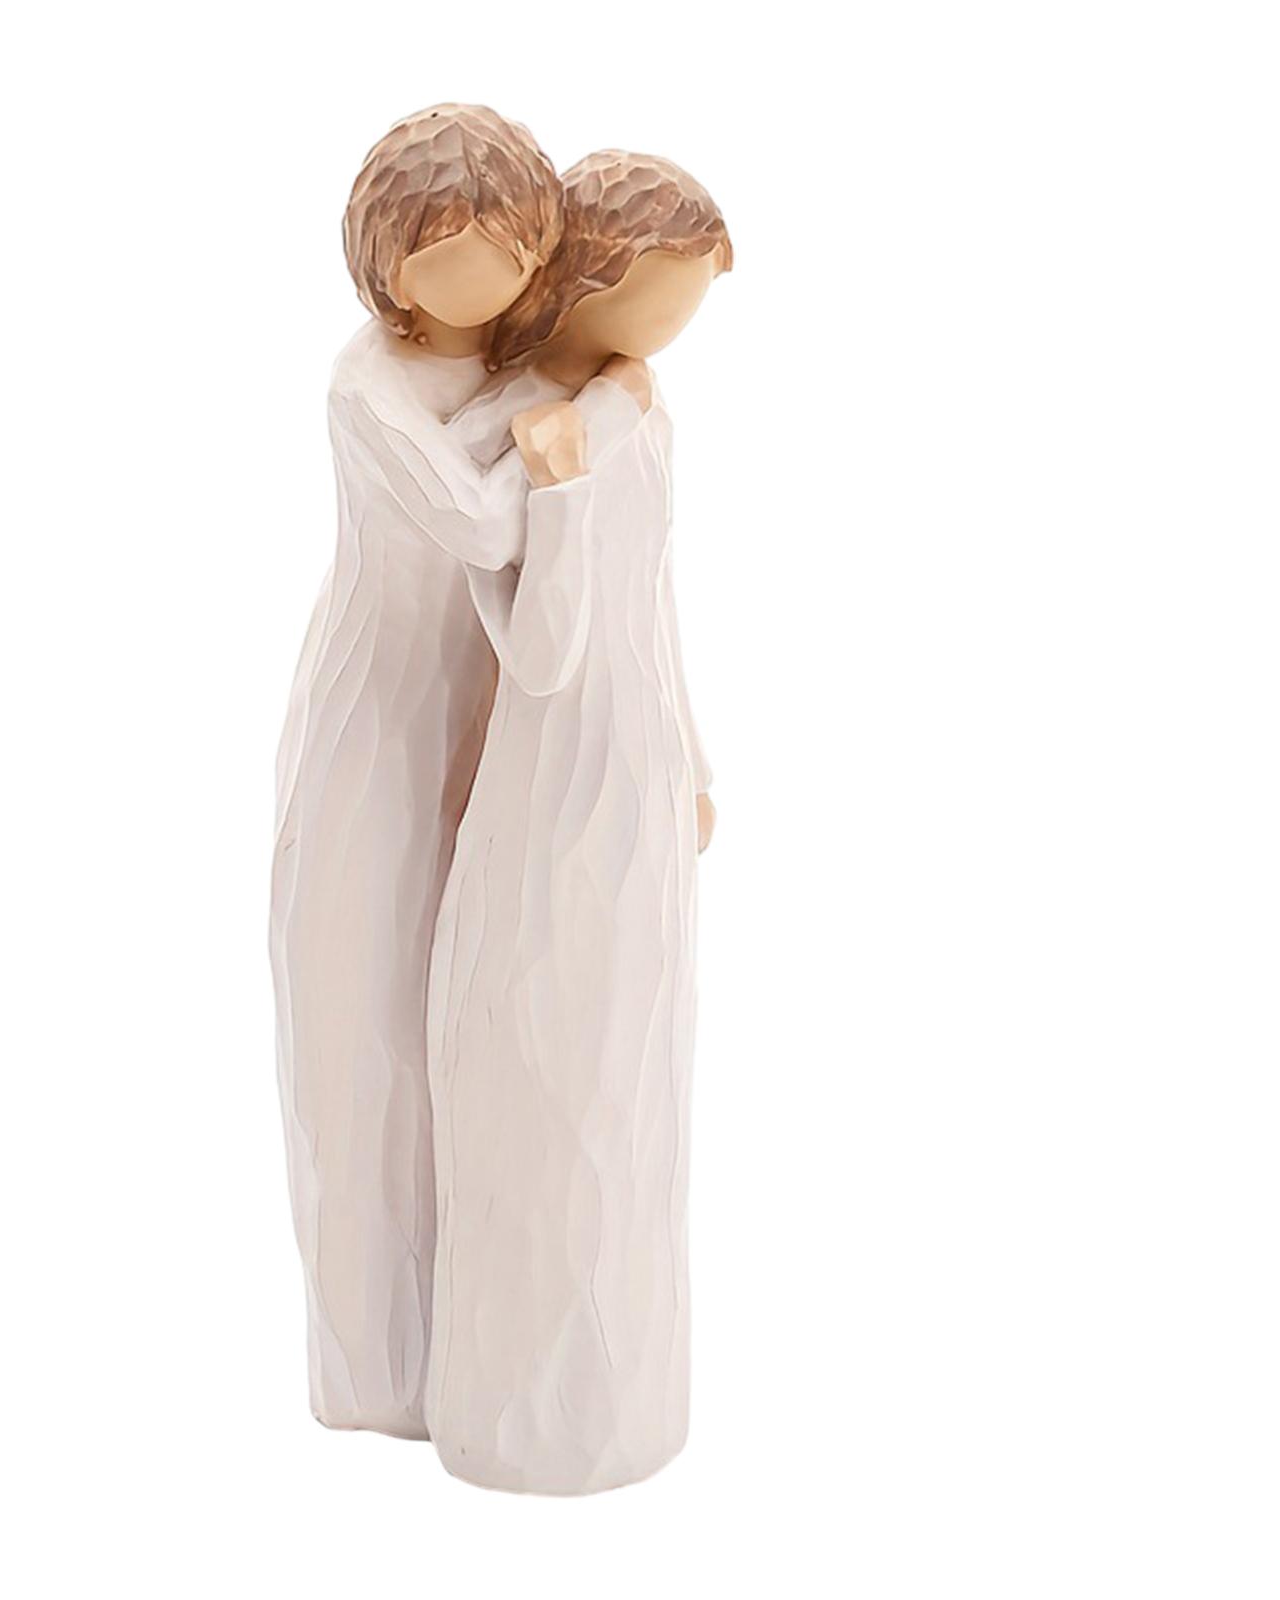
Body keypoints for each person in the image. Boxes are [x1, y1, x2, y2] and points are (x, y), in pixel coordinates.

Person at [271, 108, 645, 1439]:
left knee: (478, 1045)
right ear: (393, 259)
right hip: (378, 727)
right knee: (361, 1040)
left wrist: (577, 403)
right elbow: (483, 521)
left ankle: (478, 1365)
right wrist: (578, 405)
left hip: (493, 714)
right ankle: (377, 1375)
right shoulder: (367, 386)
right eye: (459, 249)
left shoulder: (526, 370)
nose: (494, 275)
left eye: (515, 247)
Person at [423, 152, 731, 1492]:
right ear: (597, 283)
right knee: (549, 1071)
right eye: (673, 294)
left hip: (638, 776)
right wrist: (557, 486)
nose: (683, 326)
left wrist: (691, 750)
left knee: (633, 1083)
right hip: (561, 788)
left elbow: (653, 609)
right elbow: (541, 651)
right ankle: (528, 1412)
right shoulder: (529, 428)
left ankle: (622, 1394)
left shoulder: (634, 411)